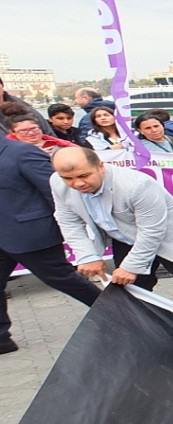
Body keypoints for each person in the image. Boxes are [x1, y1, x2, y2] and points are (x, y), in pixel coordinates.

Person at [50, 147, 173, 364]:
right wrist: (87, 256)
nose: (77, 184)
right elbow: (68, 220)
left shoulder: (136, 185)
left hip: (172, 238)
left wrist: (131, 266)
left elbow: (153, 231)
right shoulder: (58, 184)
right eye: (68, 178)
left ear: (100, 165)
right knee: (130, 292)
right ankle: (145, 338)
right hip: (126, 238)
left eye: (84, 176)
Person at [0, 137, 101, 355]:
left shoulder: (20, 153)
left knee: (64, 280)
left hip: (30, 233)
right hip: (4, 233)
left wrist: (63, 228)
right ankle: (2, 339)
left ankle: (121, 313)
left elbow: (56, 192)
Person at [5, 115, 75, 154]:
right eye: (23, 130)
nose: (30, 133)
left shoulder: (60, 144)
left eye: (33, 128)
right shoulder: (9, 151)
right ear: (12, 132)